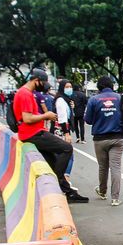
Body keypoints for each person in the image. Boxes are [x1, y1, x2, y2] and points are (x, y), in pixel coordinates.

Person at [13, 68, 88, 203]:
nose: (44, 85)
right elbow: (27, 118)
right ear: (36, 81)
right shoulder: (25, 94)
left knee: (53, 161)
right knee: (66, 148)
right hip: (33, 133)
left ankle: (67, 191)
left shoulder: (26, 93)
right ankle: (56, 181)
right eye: (43, 82)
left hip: (33, 132)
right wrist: (46, 115)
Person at [86, 76, 123, 206]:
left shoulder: (93, 100)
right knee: (116, 167)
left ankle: (102, 192)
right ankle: (115, 198)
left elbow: (88, 120)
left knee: (103, 167)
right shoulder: (120, 98)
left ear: (99, 87)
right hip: (117, 138)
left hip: (100, 139)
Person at [54, 79, 76, 188]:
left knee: (64, 154)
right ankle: (65, 179)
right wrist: (67, 133)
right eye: (67, 87)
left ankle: (63, 178)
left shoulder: (66, 100)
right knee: (68, 155)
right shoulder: (60, 101)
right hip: (61, 131)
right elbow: (62, 118)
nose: (69, 89)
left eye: (70, 86)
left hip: (62, 130)